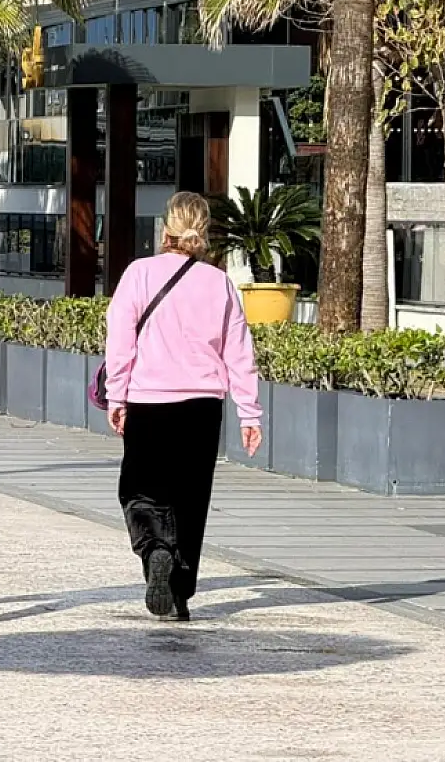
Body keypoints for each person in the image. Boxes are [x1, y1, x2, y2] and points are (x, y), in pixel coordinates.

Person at [104, 191, 261, 622]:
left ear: (165, 229)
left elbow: (120, 340)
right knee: (191, 497)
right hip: (202, 406)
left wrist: (117, 395)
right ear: (203, 230)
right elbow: (239, 351)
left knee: (141, 490)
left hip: (149, 401)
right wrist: (249, 412)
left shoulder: (139, 273)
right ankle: (180, 592)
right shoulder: (219, 282)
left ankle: (156, 549)